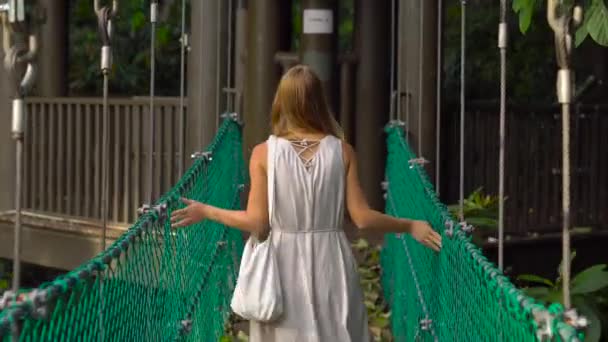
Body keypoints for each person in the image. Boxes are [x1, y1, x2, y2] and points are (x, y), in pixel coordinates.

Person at [171, 65, 442, 341]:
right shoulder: (342, 151)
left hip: (281, 268)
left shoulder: (264, 154)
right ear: (319, 102)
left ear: (281, 102)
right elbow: (362, 217)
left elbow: (256, 222)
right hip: (331, 262)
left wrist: (206, 211)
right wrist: (409, 225)